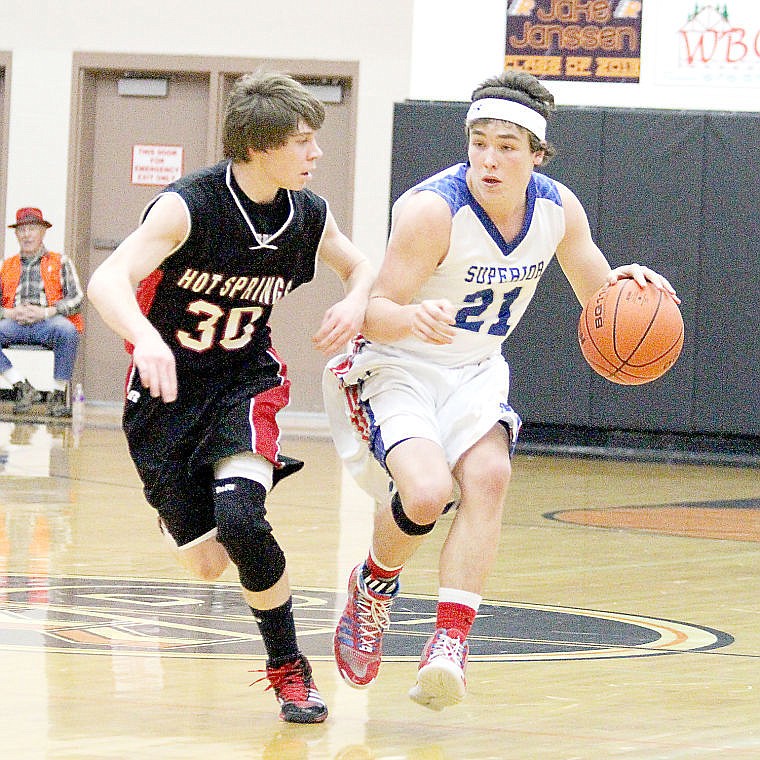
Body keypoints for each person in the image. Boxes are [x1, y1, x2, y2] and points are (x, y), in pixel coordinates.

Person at [324, 70, 679, 711]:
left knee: (489, 477)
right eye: (479, 141)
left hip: (476, 367)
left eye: (508, 145)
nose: (490, 158)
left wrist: (628, 289)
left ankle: (449, 644)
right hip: (396, 361)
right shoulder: (432, 211)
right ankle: (373, 586)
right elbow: (371, 312)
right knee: (428, 494)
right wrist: (409, 319)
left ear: (537, 155)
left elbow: (596, 292)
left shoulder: (558, 208)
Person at [87, 71, 374, 724]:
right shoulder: (188, 207)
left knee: (244, 522)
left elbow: (360, 266)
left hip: (247, 384)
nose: (316, 154)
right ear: (258, 146)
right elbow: (108, 278)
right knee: (211, 564)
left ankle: (288, 668)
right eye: (303, 142)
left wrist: (356, 302)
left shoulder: (309, 215)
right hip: (166, 395)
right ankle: (178, 515)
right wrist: (144, 338)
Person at [1, 207, 84, 417]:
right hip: (15, 322)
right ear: (16, 234)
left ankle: (57, 395)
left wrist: (46, 312)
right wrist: (10, 313)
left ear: (43, 232)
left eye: (32, 229)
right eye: (22, 230)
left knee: (68, 331)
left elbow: (77, 298)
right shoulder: (6, 265)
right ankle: (21, 386)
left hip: (49, 322)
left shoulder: (60, 262)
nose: (27, 234)